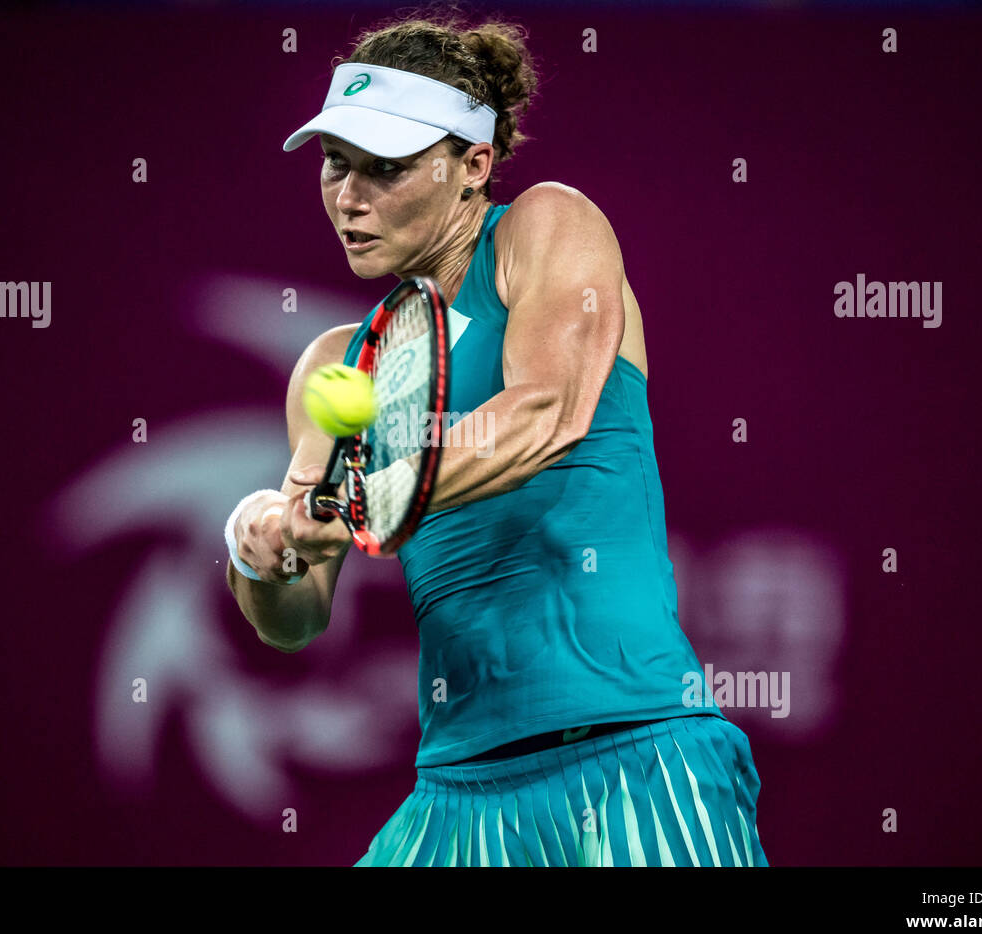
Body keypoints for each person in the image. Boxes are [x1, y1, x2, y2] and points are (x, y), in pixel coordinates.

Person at [225, 16, 768, 866]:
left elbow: (545, 412)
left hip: (634, 762)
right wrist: (263, 552)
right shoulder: (335, 367)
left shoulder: (546, 229)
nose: (350, 196)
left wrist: (368, 501)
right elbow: (296, 620)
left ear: (474, 164)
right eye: (337, 162)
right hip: (453, 795)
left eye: (388, 168)